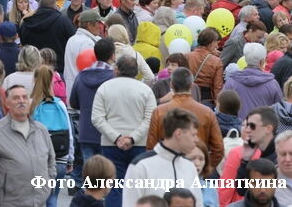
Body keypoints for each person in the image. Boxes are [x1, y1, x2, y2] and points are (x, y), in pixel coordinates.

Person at [91, 55, 157, 207]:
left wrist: (117, 137)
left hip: (111, 144)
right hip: (139, 144)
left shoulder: (105, 88)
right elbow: (150, 119)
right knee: (138, 188)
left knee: (114, 187)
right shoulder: (146, 90)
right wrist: (132, 138)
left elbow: (97, 118)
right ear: (136, 71)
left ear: (117, 70)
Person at [0, 84, 56, 207]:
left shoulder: (41, 130)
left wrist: (47, 187)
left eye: (25, 97)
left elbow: (51, 162)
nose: (21, 101)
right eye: (16, 98)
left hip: (39, 203)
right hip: (10, 203)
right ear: (7, 103)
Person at [122, 108, 203, 207]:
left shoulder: (189, 167)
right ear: (178, 134)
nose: (196, 139)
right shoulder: (141, 166)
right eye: (193, 134)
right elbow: (130, 204)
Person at [145, 67, 224, 168]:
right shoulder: (206, 112)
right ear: (191, 86)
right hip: (195, 167)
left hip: (167, 168)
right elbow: (218, 148)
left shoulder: (159, 111)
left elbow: (151, 147)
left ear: (171, 85)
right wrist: (205, 167)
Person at [30, 65, 73, 207]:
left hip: (37, 159)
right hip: (60, 157)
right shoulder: (60, 104)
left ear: (35, 80)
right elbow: (70, 134)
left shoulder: (31, 105)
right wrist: (70, 159)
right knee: (52, 198)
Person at [222, 43, 282, 119]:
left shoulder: (232, 82)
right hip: (264, 127)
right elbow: (279, 110)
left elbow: (222, 107)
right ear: (262, 62)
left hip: (238, 127)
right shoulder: (272, 84)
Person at [19, 0, 76, 73]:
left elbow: (23, 43)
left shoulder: (27, 22)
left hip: (33, 68)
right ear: (55, 6)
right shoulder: (63, 21)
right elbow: (72, 41)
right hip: (58, 68)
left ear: (39, 7)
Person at [63, 9, 105, 98]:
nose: (100, 26)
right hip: (82, 94)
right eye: (98, 23)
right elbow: (89, 73)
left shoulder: (72, 39)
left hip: (71, 91)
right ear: (89, 25)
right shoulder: (87, 43)